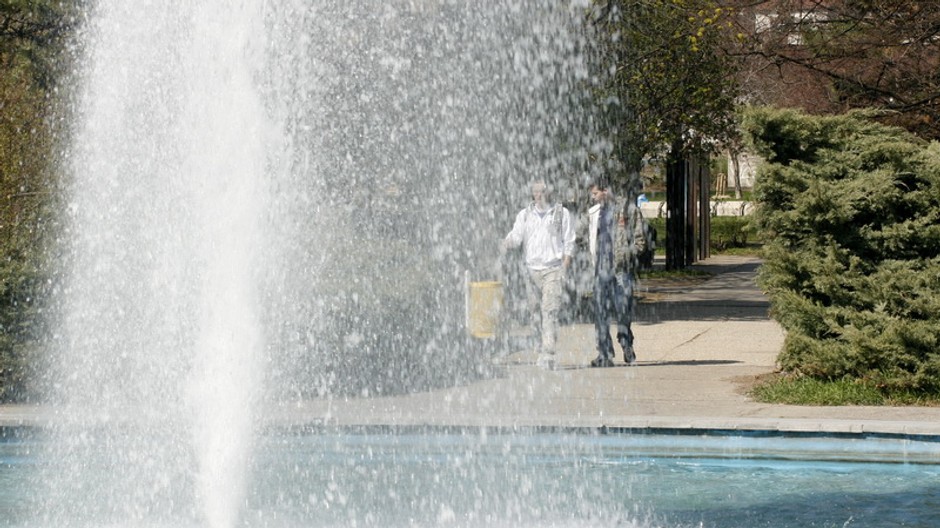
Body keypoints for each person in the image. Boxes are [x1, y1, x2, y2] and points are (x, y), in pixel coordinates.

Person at [502, 180, 576, 369]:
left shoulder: (561, 213)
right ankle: (540, 345)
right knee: (534, 312)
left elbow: (569, 241)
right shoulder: (525, 215)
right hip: (531, 271)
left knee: (549, 311)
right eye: (535, 192)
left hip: (552, 269)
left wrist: (564, 267)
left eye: (542, 191)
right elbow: (516, 236)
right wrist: (504, 243)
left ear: (549, 192)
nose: (539, 195)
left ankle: (548, 353)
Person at [584, 178, 645, 367]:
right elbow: (581, 236)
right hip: (600, 271)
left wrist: (624, 256)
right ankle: (604, 354)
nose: (592, 198)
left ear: (606, 190)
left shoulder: (628, 210)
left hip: (621, 271)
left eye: (595, 193)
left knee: (623, 310)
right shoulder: (594, 213)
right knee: (600, 313)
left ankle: (626, 343)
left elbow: (640, 241)